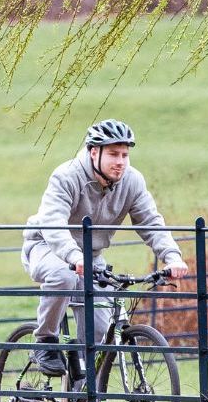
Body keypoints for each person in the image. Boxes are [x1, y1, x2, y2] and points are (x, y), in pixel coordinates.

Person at [21, 119, 188, 376]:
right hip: (47, 246)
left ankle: (83, 398)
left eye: (124, 154)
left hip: (91, 256)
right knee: (63, 275)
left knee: (100, 329)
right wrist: (74, 256)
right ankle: (44, 341)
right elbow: (52, 223)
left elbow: (150, 221)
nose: (120, 161)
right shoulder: (67, 176)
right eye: (113, 154)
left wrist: (172, 256)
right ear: (93, 152)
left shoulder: (132, 181)